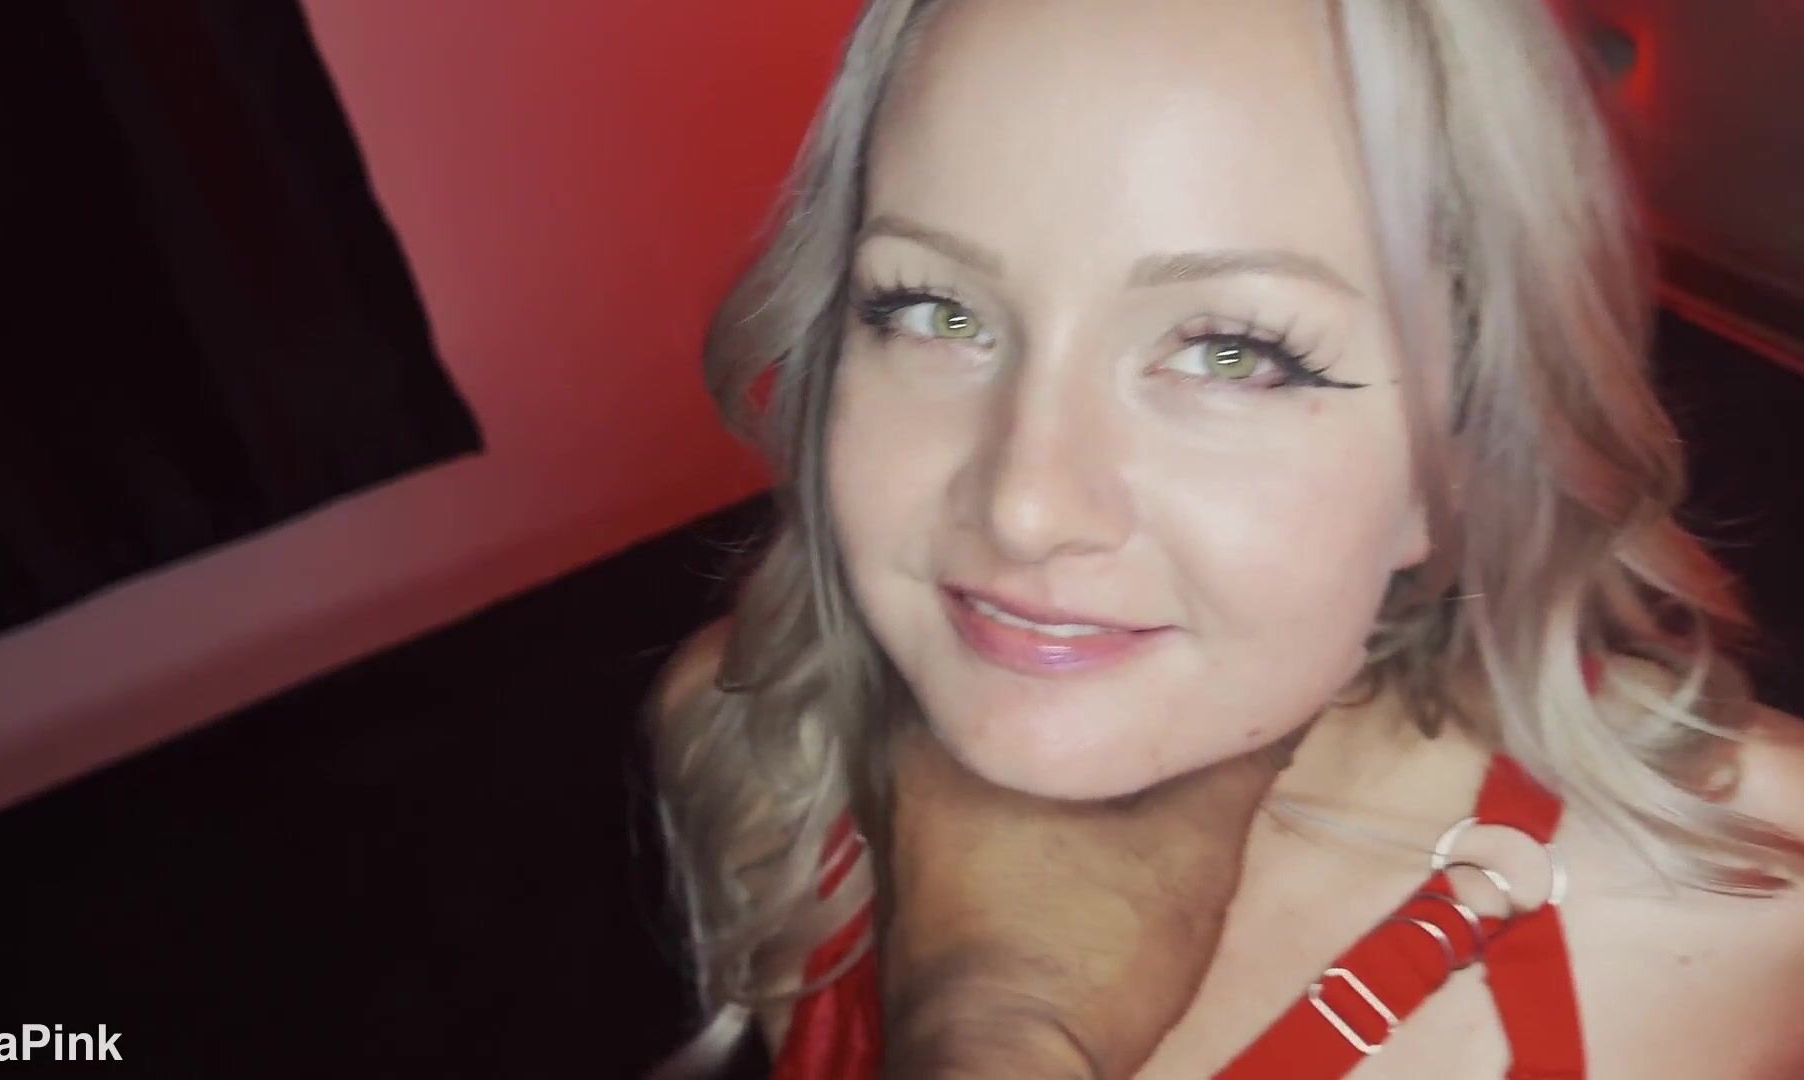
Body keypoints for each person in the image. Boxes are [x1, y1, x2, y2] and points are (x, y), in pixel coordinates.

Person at [644, 0, 1804, 1076]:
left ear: (1463, 434)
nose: (1024, 507)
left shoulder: (1756, 905)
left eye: (1231, 352)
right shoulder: (760, 741)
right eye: (935, 312)